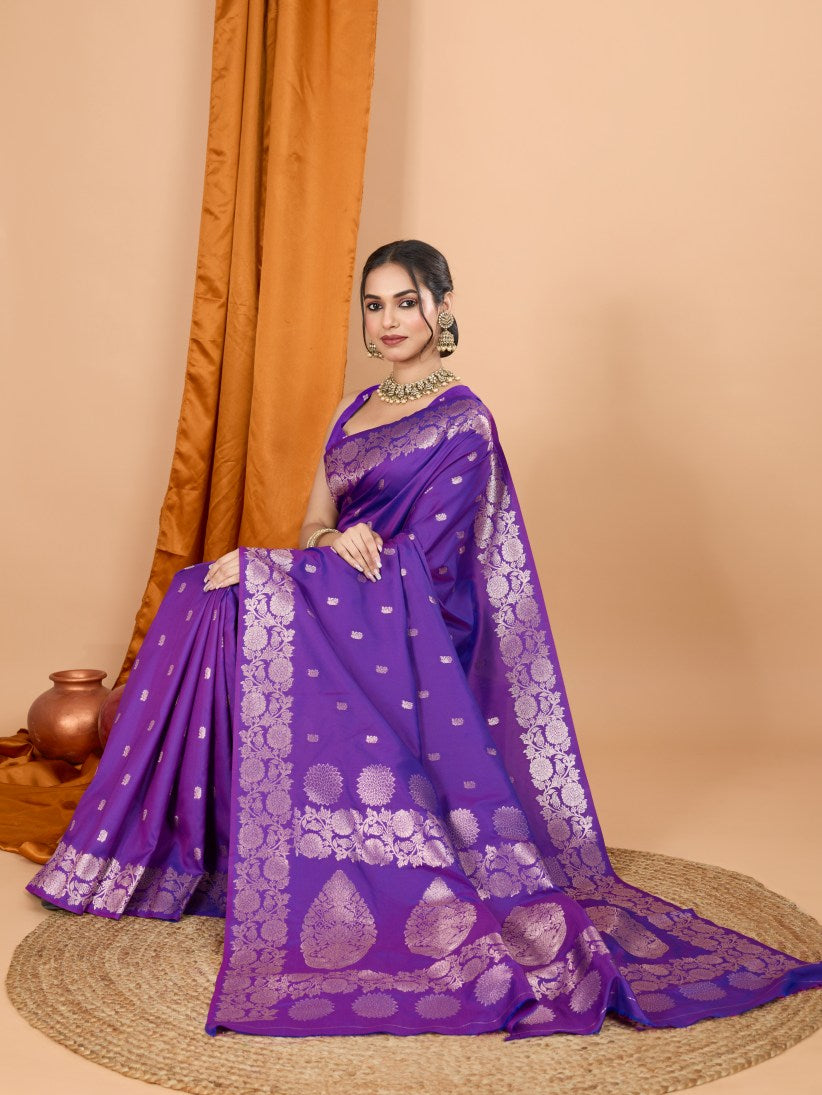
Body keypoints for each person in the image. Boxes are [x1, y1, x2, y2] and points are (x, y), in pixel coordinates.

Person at [26, 240, 822, 1039]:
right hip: (344, 598)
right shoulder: (350, 410)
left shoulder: (464, 420)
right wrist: (327, 544)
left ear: (441, 307)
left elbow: (433, 569)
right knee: (202, 594)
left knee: (236, 585)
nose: (389, 321)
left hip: (416, 627)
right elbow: (315, 522)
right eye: (374, 305)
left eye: (406, 302)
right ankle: (197, 850)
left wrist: (282, 570)